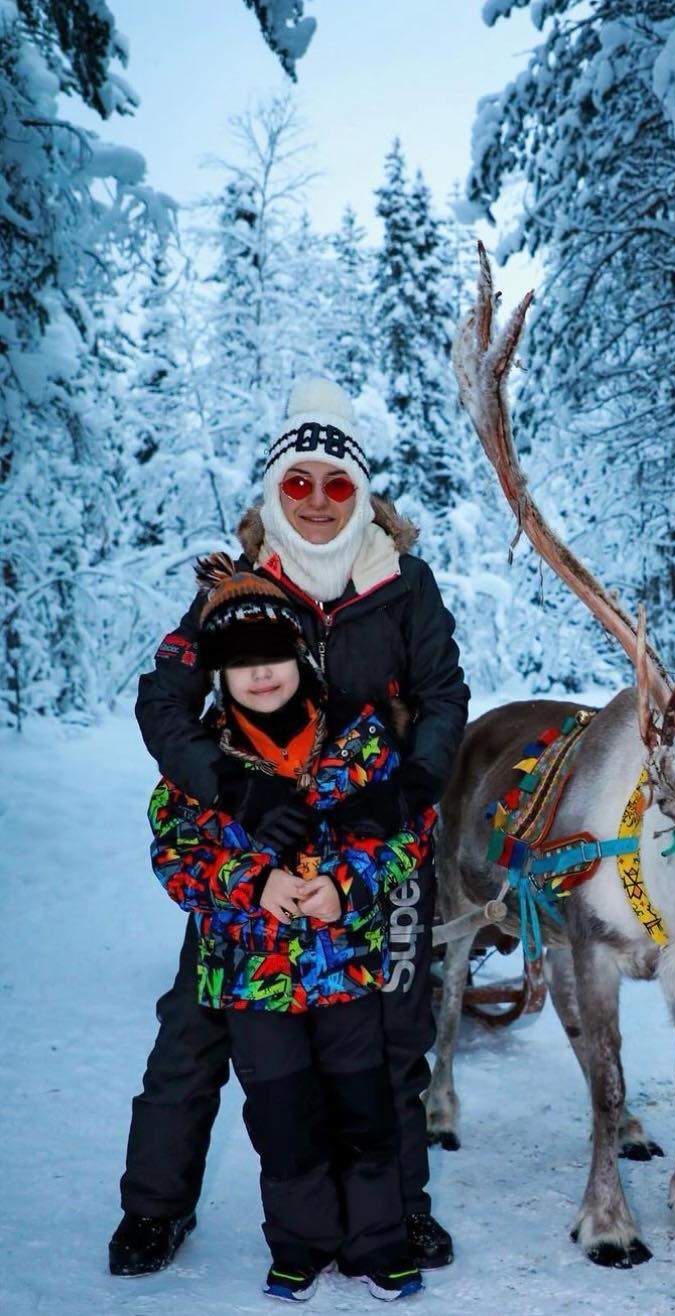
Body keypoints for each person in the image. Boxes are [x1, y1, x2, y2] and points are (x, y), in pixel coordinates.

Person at [110, 378, 469, 1276]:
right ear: (274, 489)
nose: (316, 501)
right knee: (197, 1026)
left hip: (375, 847)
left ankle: (400, 1213)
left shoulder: (403, 584)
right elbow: (165, 700)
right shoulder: (236, 586)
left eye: (336, 484)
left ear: (363, 493)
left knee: (391, 1031)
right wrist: (230, 790)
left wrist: (412, 787)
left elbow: (442, 694)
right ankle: (156, 1208)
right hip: (253, 856)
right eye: (298, 483)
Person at [151, 556, 430, 1300]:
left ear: (300, 656)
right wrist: (254, 884)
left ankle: (379, 1242)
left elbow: (410, 834)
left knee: (365, 1110)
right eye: (240, 665)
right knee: (283, 1119)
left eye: (273, 655)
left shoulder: (360, 740)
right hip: (250, 981)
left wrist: (348, 886)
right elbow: (175, 858)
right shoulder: (203, 763)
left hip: (345, 970)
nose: (262, 675)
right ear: (218, 676)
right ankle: (301, 1245)